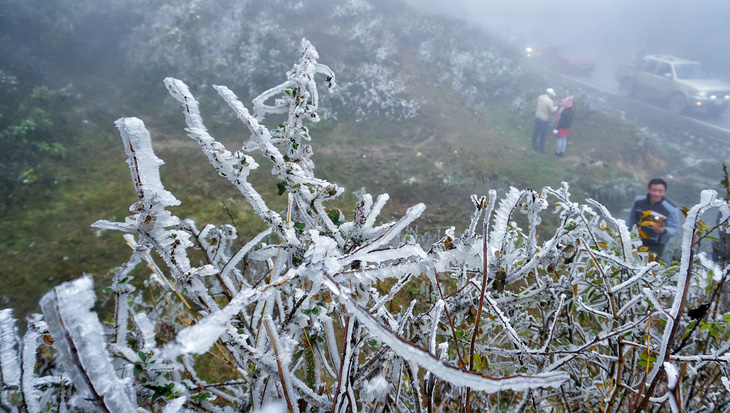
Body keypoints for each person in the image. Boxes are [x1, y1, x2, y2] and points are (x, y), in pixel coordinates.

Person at [627, 178, 680, 258]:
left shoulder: (671, 209)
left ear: (665, 192)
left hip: (655, 246)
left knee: (651, 269)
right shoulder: (638, 201)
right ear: (648, 189)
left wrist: (663, 230)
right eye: (654, 190)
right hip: (635, 241)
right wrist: (627, 234)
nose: (656, 194)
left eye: (660, 191)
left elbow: (675, 229)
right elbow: (632, 219)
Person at [531, 88, 557, 153]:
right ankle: (541, 149)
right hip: (544, 120)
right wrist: (556, 106)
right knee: (543, 134)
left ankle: (533, 145)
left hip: (537, 117)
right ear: (550, 94)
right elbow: (552, 110)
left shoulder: (540, 96)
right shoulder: (549, 101)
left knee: (536, 132)